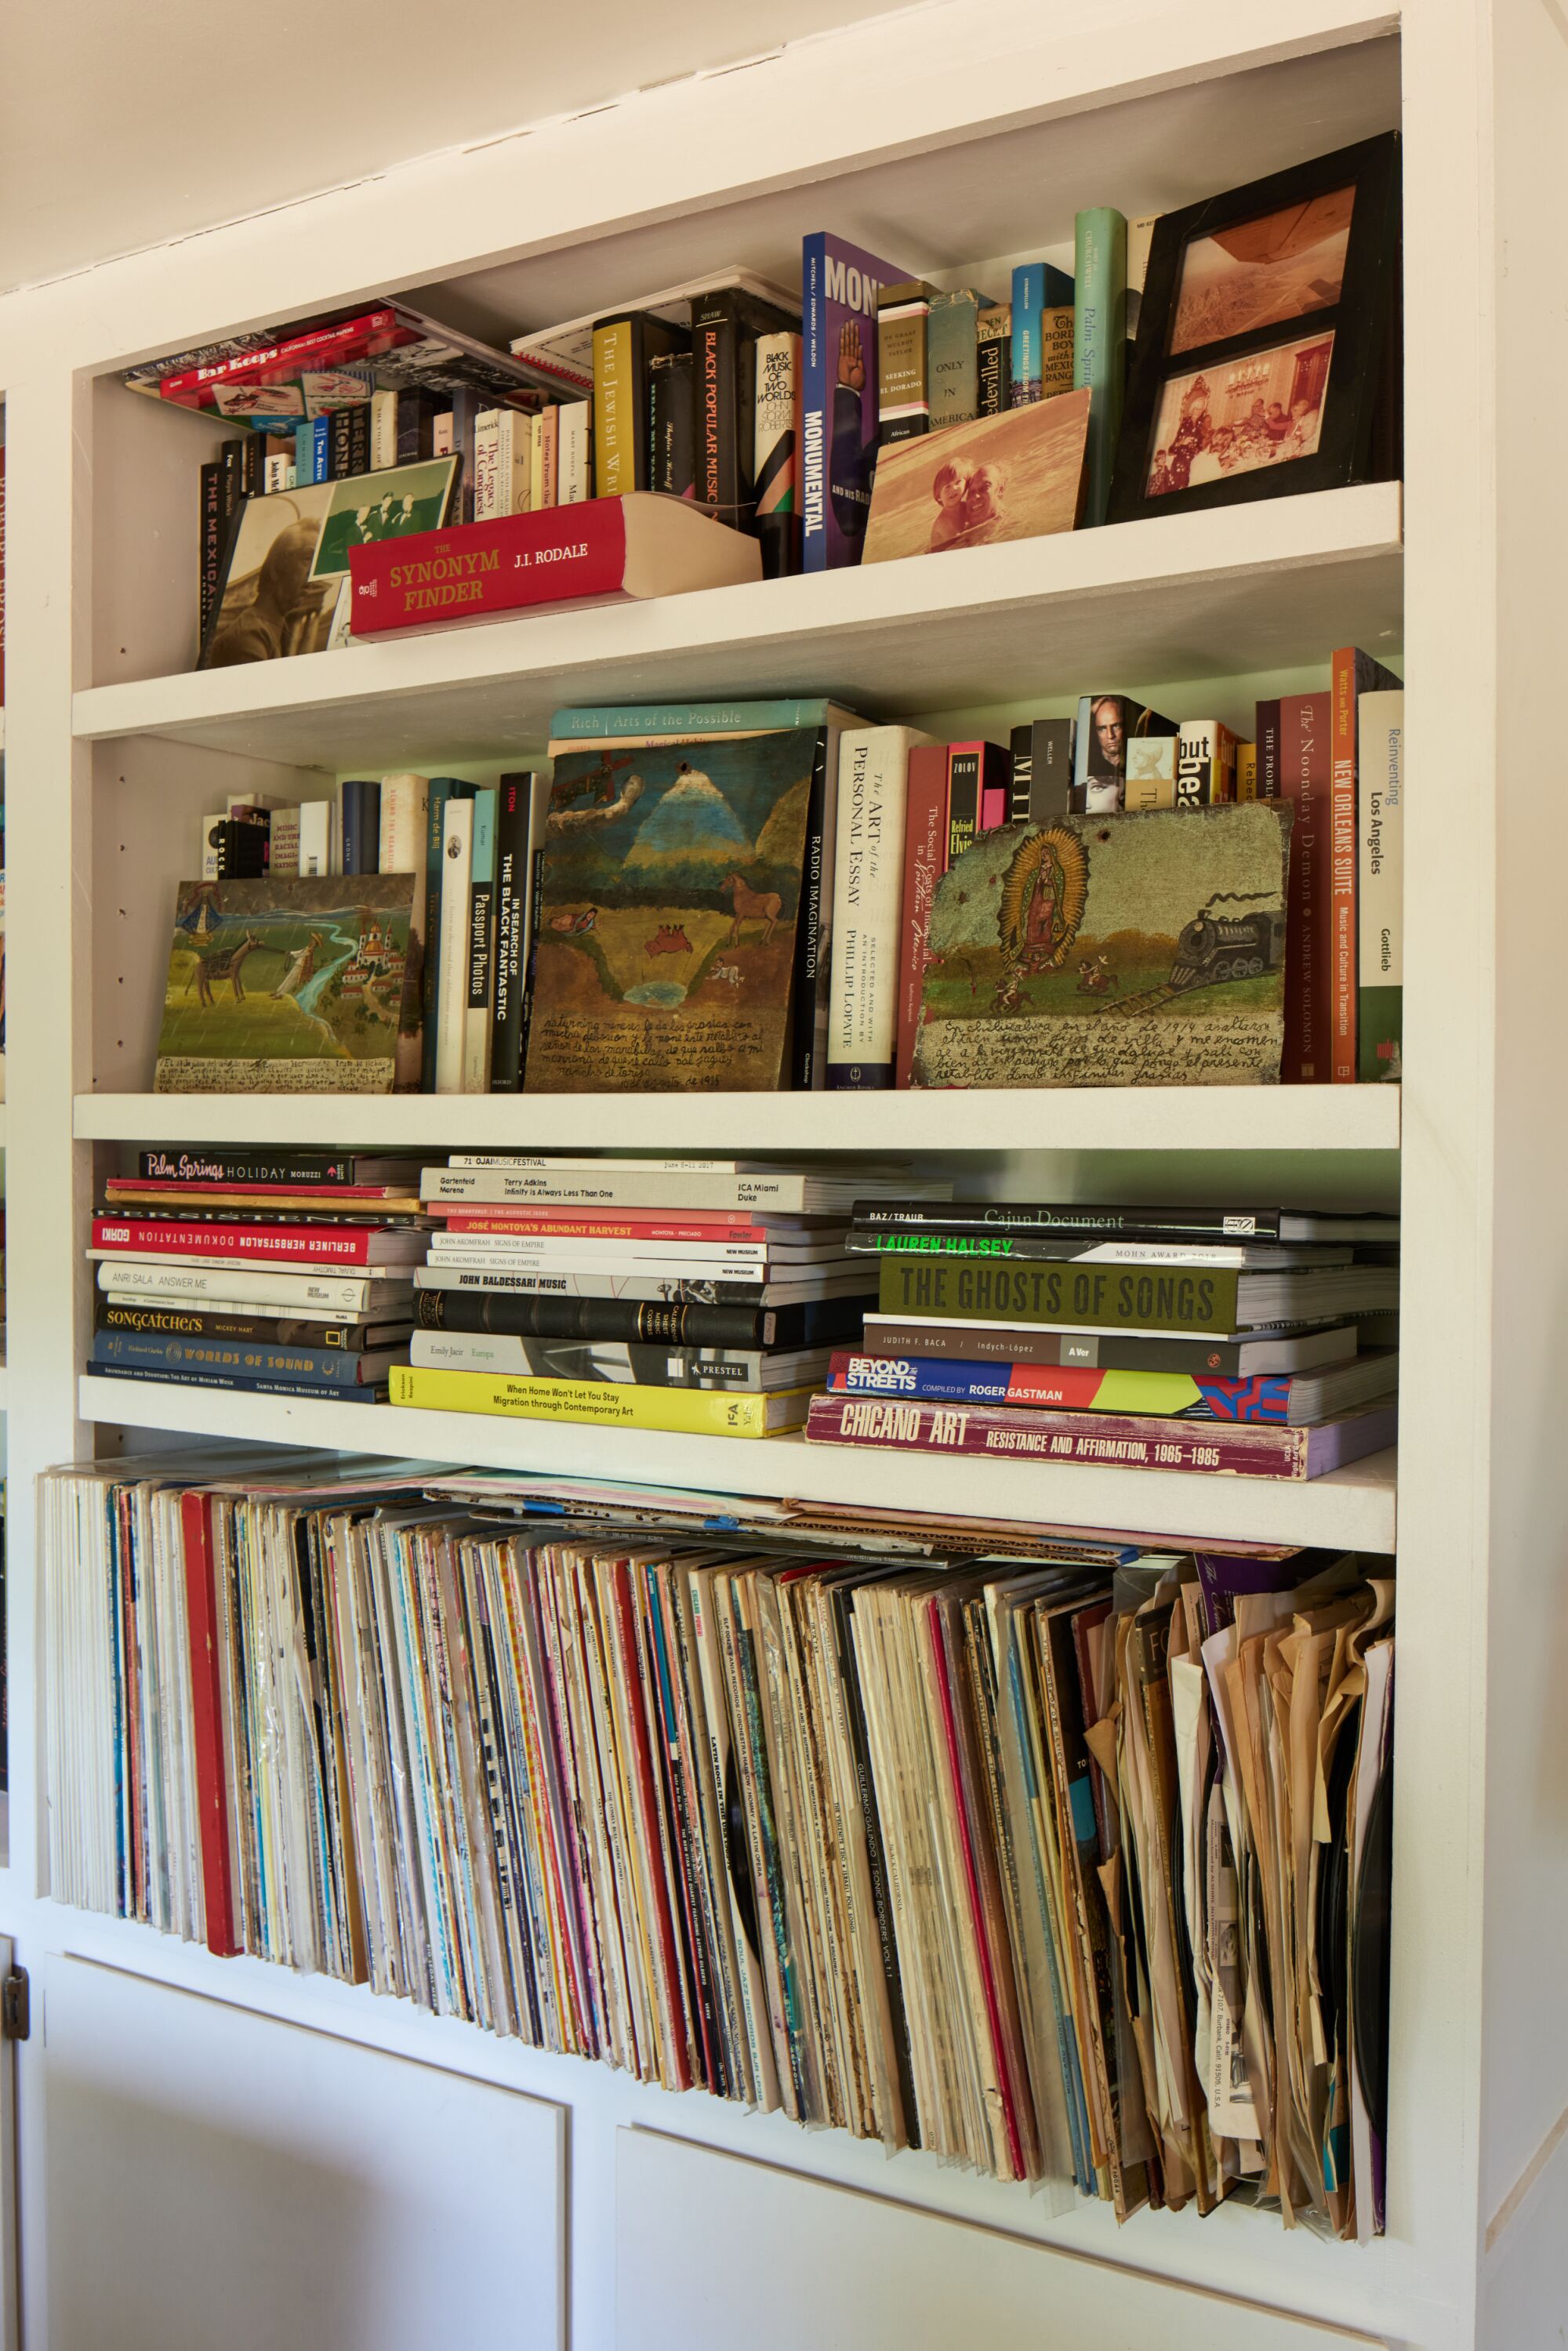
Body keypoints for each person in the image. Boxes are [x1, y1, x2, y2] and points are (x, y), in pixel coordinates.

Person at [928, 460, 968, 550]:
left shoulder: (966, 506)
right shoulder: (944, 522)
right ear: (938, 497)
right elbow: (961, 546)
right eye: (947, 487)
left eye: (958, 482)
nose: (954, 488)